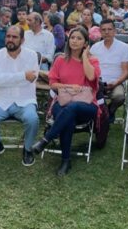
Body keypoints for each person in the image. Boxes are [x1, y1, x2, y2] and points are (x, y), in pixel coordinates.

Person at [30, 26, 101, 176]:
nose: (74, 41)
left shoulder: (93, 60)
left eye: (79, 39)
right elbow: (53, 84)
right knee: (67, 118)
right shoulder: (60, 59)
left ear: (85, 43)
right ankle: (65, 160)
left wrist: (85, 57)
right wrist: (69, 86)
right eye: (72, 38)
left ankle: (46, 139)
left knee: (73, 108)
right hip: (62, 101)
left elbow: (91, 77)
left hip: (86, 105)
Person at [0, 25, 40, 166]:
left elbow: (32, 79)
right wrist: (22, 75)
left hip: (25, 100)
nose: (10, 40)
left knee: (33, 119)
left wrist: (0, 78)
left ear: (22, 40)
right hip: (0, 101)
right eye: (8, 36)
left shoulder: (31, 55)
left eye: (14, 37)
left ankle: (27, 150)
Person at [90, 19, 128, 117]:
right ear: (100, 32)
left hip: (116, 82)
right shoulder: (95, 48)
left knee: (119, 96)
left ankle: (109, 111)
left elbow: (126, 71)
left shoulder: (123, 47)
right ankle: (98, 115)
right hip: (97, 82)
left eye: (109, 29)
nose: (106, 32)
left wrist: (116, 82)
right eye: (103, 30)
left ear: (114, 31)